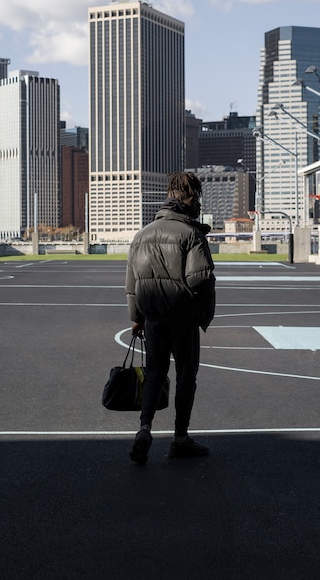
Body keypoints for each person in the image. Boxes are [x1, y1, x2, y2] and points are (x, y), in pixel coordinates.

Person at [125, 171, 216, 465]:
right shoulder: (191, 234)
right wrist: (203, 312)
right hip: (182, 317)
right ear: (188, 198)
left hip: (152, 318)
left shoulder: (142, 235)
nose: (197, 202)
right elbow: (200, 279)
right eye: (196, 197)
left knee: (154, 374)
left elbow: (131, 284)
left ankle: (145, 427)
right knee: (186, 377)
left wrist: (136, 318)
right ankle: (179, 439)